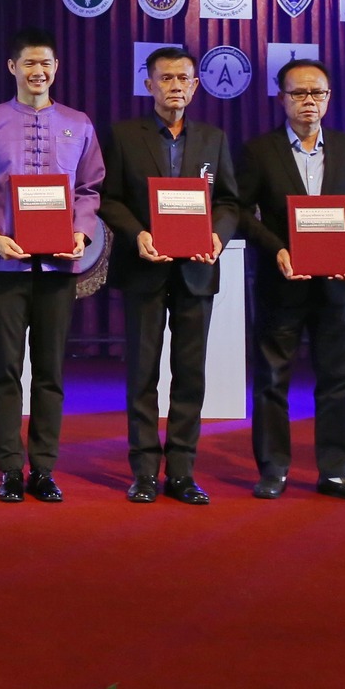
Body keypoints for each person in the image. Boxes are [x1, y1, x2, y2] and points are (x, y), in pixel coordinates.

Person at [0, 27, 104, 504]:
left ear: (56, 68)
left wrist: (80, 232)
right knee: (6, 370)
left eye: (45, 64)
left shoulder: (78, 123)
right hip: (5, 269)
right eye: (29, 64)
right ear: (12, 68)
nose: (38, 72)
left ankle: (43, 468)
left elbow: (89, 189)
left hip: (59, 269)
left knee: (50, 372)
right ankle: (9, 468)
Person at [99, 46, 240, 505]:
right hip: (144, 268)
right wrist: (137, 233)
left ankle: (181, 472)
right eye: (166, 79)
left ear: (196, 85)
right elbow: (109, 198)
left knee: (189, 375)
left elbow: (229, 203)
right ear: (149, 84)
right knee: (142, 375)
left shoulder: (213, 138)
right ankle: (143, 472)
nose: (176, 86)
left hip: (196, 272)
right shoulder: (124, 135)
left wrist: (218, 235)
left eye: (184, 79)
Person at [236, 58, 345, 502]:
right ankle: (273, 469)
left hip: (338, 284)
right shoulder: (260, 151)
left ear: (329, 98)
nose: (309, 101)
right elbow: (240, 210)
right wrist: (275, 247)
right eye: (298, 93)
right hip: (283, 281)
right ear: (281, 98)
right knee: (272, 379)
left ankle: (337, 472)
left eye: (317, 93)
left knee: (338, 381)